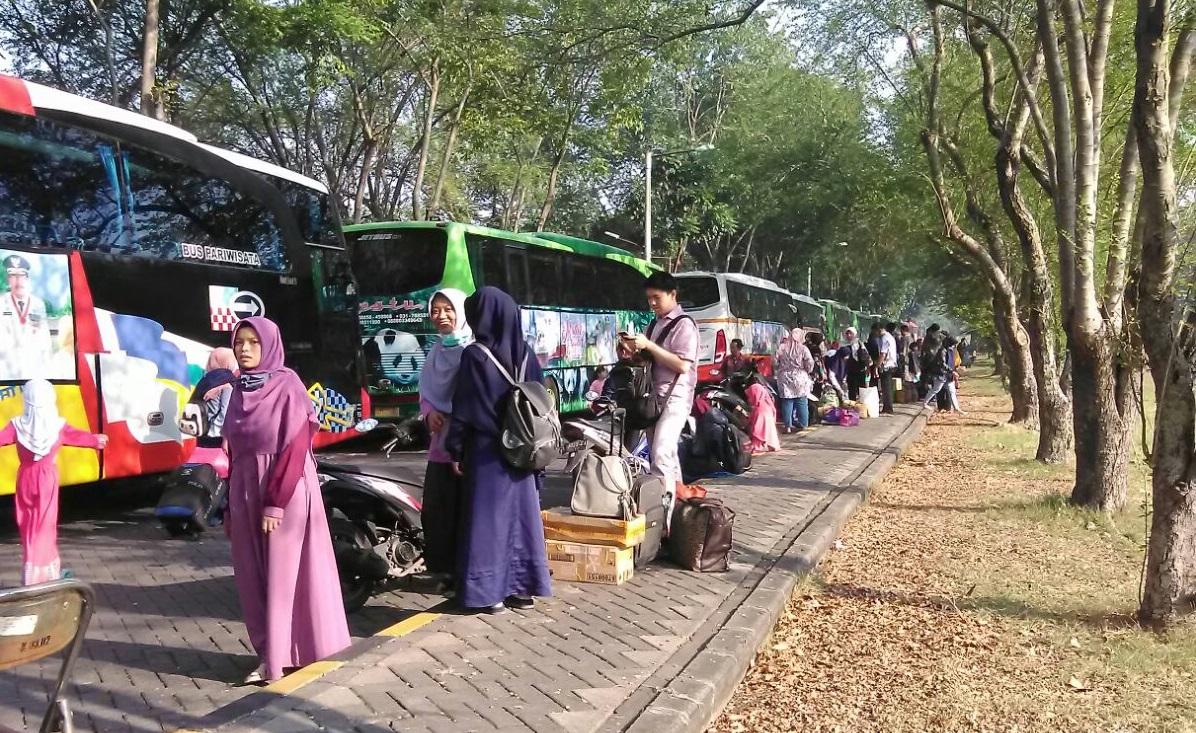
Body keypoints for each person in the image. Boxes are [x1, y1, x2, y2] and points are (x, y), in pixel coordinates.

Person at [222, 317, 350, 684]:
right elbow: (232, 452)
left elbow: (295, 449)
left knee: (284, 575)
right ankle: (270, 651)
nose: (244, 349)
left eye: (252, 342)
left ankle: (281, 659)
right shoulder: (238, 390)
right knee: (254, 576)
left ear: (269, 345)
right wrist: (229, 506)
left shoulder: (288, 384)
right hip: (246, 489)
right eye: (239, 342)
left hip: (285, 490)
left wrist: (275, 501)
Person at [446, 287, 552, 614]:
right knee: (523, 520)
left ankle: (488, 594)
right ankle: (522, 590)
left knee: (487, 522)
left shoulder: (475, 355)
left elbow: (464, 409)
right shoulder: (527, 354)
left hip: (487, 452)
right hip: (524, 450)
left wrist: (455, 449)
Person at [0, 379, 107, 585]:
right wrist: (97, 440)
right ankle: (40, 574)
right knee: (45, 526)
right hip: (47, 479)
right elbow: (81, 437)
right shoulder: (57, 426)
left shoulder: (17, 426)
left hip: (25, 478)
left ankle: (38, 569)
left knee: (28, 524)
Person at [626, 272, 698, 517]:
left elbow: (682, 365)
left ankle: (661, 517)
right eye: (649, 299)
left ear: (673, 295)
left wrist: (650, 345)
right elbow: (649, 360)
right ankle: (679, 513)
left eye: (657, 297)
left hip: (676, 399)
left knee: (660, 454)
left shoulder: (684, 325)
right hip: (654, 398)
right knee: (667, 456)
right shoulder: (654, 325)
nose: (652, 303)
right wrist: (631, 349)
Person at [418, 288, 473, 588]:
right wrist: (428, 414)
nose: (441, 316)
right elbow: (425, 392)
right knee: (439, 511)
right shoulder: (436, 350)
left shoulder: (473, 349)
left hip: (465, 445)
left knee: (464, 510)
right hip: (439, 444)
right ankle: (444, 570)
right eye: (436, 311)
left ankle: (463, 572)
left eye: (448, 309)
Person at [184, 348, 239, 476]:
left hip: (201, 431)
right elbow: (226, 411)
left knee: (203, 468)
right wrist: (223, 437)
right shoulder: (227, 381)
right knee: (218, 472)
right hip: (216, 435)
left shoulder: (206, 379)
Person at [0, 255, 54, 381]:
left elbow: (45, 340)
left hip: (32, 372)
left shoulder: (37, 304)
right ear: (8, 279)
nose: (18, 280)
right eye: (13, 276)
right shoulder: (2, 303)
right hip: (5, 373)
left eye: (21, 276)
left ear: (27, 278)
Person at [775, 327, 814, 434]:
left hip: (785, 377)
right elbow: (810, 362)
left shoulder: (782, 347)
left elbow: (774, 361)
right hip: (800, 376)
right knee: (801, 401)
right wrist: (807, 370)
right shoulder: (803, 348)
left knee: (787, 402)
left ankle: (788, 426)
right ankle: (803, 425)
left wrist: (779, 368)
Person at [743, 363, 780, 453]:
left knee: (758, 430)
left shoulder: (755, 390)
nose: (749, 399)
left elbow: (752, 421)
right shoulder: (763, 392)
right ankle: (770, 445)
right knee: (769, 430)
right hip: (768, 412)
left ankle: (757, 446)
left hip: (762, 412)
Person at [839, 327, 869, 401]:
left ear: (854, 334)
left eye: (851, 333)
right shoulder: (842, 345)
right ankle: (853, 407)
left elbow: (866, 356)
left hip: (860, 370)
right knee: (851, 390)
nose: (849, 335)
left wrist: (867, 368)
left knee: (861, 390)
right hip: (849, 371)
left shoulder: (859, 343)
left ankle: (862, 406)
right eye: (847, 333)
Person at [878, 323, 898, 414]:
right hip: (892, 364)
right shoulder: (890, 337)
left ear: (879, 330)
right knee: (888, 387)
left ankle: (888, 408)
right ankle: (888, 406)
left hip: (887, 365)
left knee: (886, 388)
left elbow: (883, 354)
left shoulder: (884, 338)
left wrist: (878, 365)